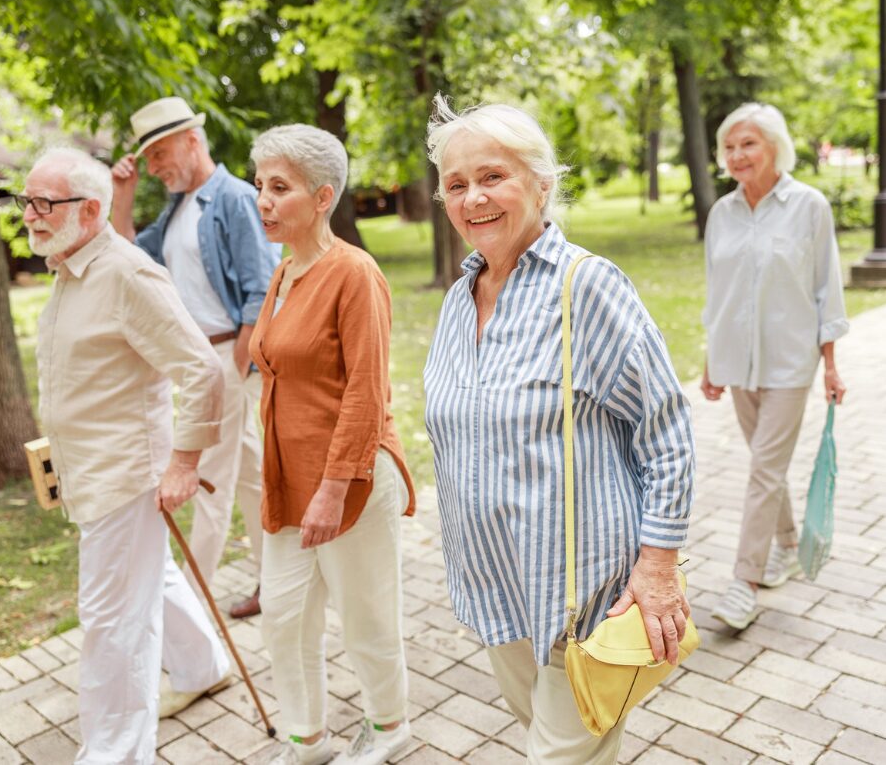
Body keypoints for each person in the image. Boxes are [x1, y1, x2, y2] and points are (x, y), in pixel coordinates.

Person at [422, 97, 695, 763]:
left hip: (583, 597)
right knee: (554, 741)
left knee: (557, 754)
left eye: (493, 176)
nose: (473, 197)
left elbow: (667, 433)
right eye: (456, 185)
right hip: (497, 590)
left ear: (542, 184)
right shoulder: (461, 298)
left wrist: (657, 569)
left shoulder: (586, 286)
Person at [26, 147, 232, 763]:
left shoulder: (128, 274)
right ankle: (202, 668)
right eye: (26, 201)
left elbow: (201, 371)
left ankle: (114, 752)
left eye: (45, 203)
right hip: (89, 470)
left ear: (91, 210)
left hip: (125, 477)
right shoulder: (70, 267)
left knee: (113, 622)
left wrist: (185, 464)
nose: (30, 215)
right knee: (155, 578)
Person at [247, 124, 416, 765]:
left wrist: (333, 487)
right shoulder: (285, 271)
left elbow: (367, 394)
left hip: (352, 480)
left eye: (279, 188)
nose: (264, 199)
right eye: (261, 185)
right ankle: (306, 739)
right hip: (287, 478)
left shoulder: (355, 274)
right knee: (283, 617)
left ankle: (391, 726)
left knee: (366, 616)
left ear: (322, 198)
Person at [111, 97, 282, 620]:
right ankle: (274, 586)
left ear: (192, 140)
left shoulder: (231, 198)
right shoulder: (178, 207)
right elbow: (128, 258)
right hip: (200, 361)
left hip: (226, 359)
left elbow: (262, 286)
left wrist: (234, 366)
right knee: (252, 479)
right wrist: (123, 197)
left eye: (159, 153)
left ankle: (187, 614)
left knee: (207, 483)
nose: (155, 166)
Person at [703, 103, 848, 630]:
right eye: (730, 146)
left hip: (791, 362)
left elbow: (825, 288)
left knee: (763, 469)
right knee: (768, 467)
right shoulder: (722, 213)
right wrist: (710, 358)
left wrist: (831, 364)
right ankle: (786, 545)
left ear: (774, 147)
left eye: (749, 144)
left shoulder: (808, 206)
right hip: (737, 362)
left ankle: (744, 582)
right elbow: (718, 291)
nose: (738, 155)